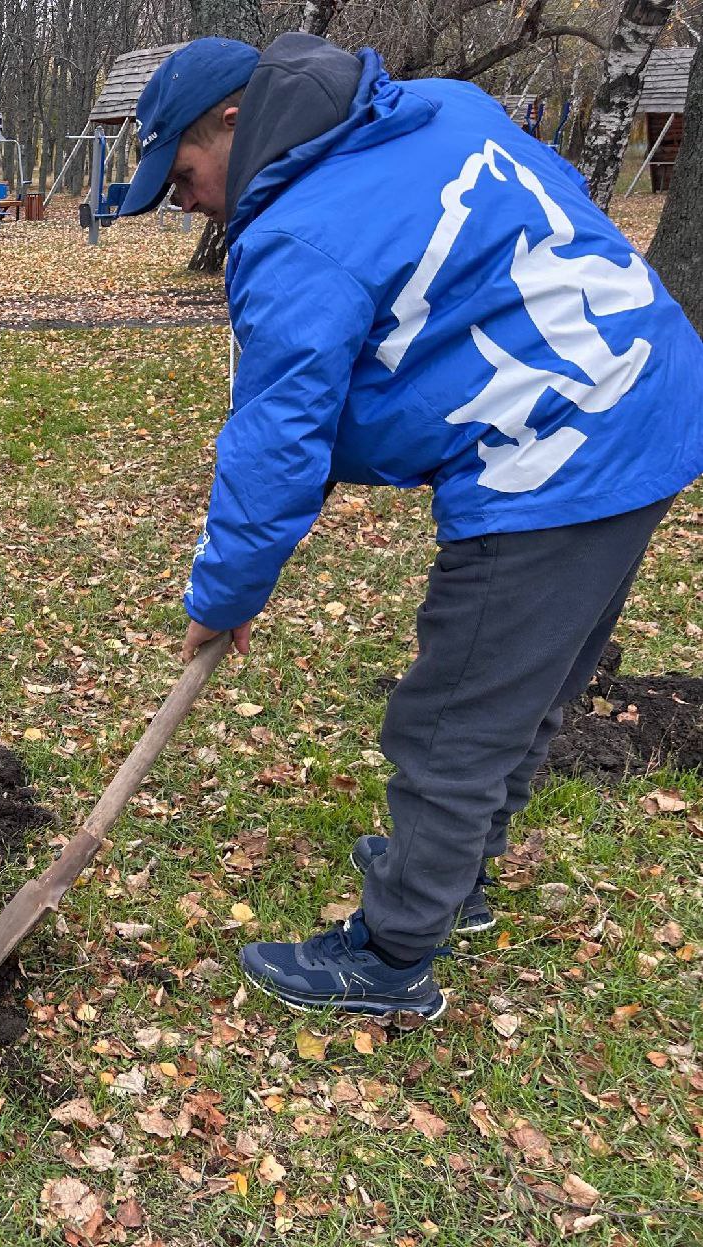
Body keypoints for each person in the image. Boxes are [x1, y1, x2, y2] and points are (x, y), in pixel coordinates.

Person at [118, 35, 703, 1018]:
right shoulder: (438, 109)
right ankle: (454, 875)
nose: (185, 202)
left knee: (454, 717)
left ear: (232, 119)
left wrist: (224, 597)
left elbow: (276, 443)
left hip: (552, 456)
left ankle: (392, 954)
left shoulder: (296, 237)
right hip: (650, 392)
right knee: (531, 687)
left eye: (180, 174)